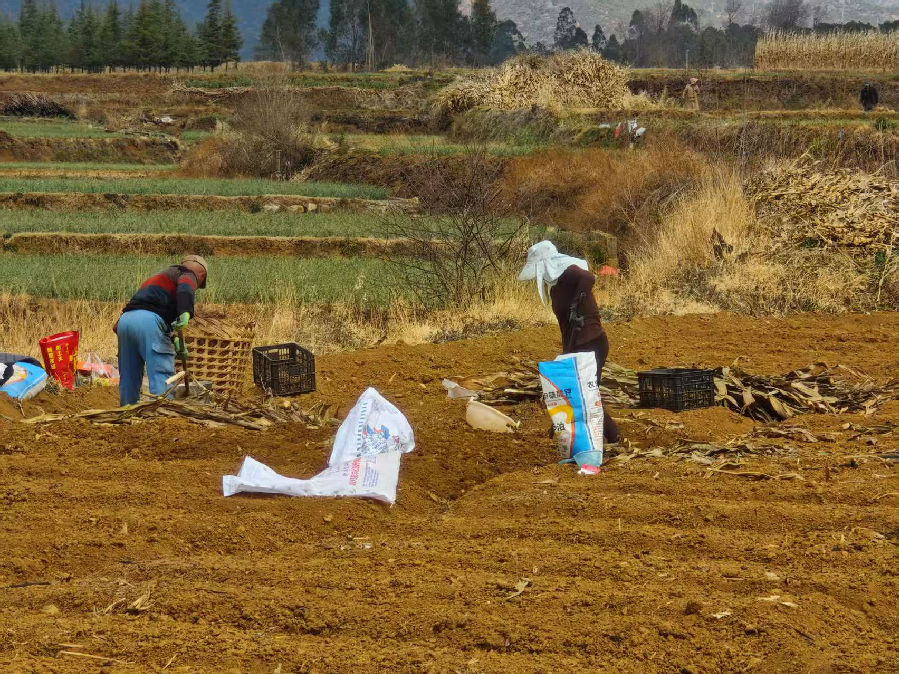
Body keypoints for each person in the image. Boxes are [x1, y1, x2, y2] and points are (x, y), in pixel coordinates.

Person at [519, 241, 619, 444]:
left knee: (588, 395)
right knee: (581, 394)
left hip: (592, 342)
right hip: (577, 344)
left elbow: (589, 277)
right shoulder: (555, 289)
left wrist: (578, 298)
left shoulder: (570, 273)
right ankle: (588, 434)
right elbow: (566, 325)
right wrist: (566, 353)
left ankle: (614, 438)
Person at [115, 255, 208, 406]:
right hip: (148, 322)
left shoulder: (159, 277)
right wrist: (185, 312)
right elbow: (185, 289)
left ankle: (127, 413)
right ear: (201, 276)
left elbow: (159, 313)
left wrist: (174, 340)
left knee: (129, 375)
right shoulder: (187, 274)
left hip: (124, 322)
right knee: (161, 374)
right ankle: (162, 417)